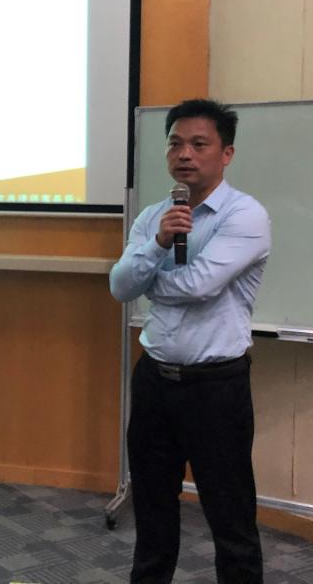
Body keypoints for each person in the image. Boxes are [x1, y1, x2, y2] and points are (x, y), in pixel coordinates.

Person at [110, 98, 271, 583]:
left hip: (215, 388)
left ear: (227, 153)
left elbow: (198, 285)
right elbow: (120, 287)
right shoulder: (154, 217)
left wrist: (148, 279)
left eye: (199, 144)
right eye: (175, 143)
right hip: (155, 380)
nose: (185, 154)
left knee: (230, 517)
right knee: (152, 511)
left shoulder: (245, 215)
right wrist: (159, 243)